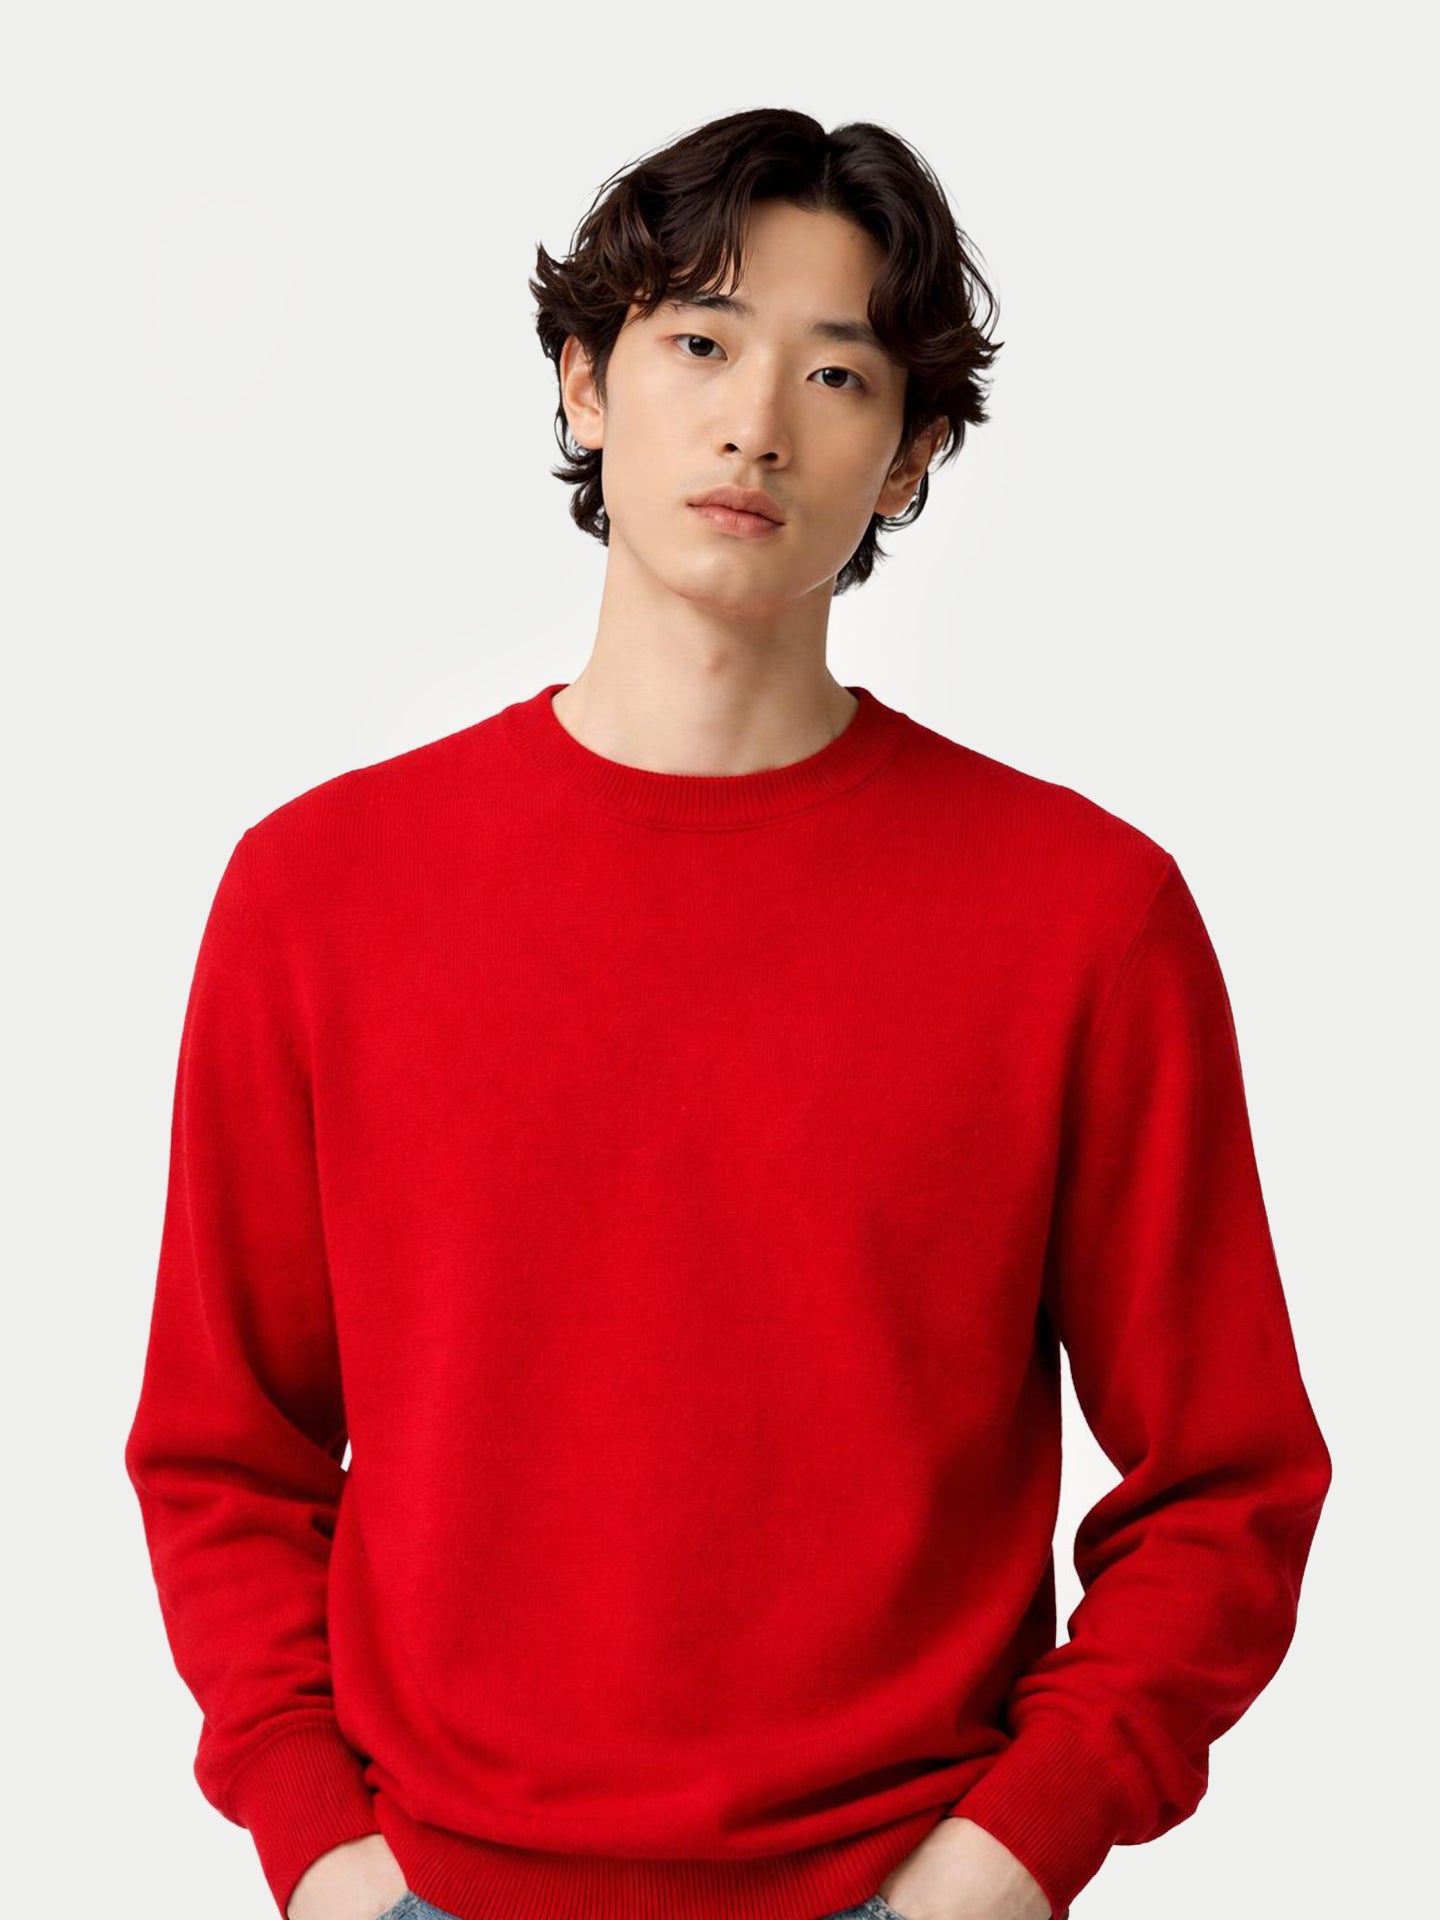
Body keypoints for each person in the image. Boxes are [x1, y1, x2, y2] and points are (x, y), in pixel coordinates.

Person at [124, 107, 1332, 1920]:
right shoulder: (319, 893)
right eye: (699, 342)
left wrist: (1009, 1859)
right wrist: (323, 1849)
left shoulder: (1084, 918)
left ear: (909, 458)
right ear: (584, 382)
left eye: (837, 375)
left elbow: (1229, 1482)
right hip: (430, 1886)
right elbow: (227, 1448)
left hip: (898, 1879)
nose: (757, 422)